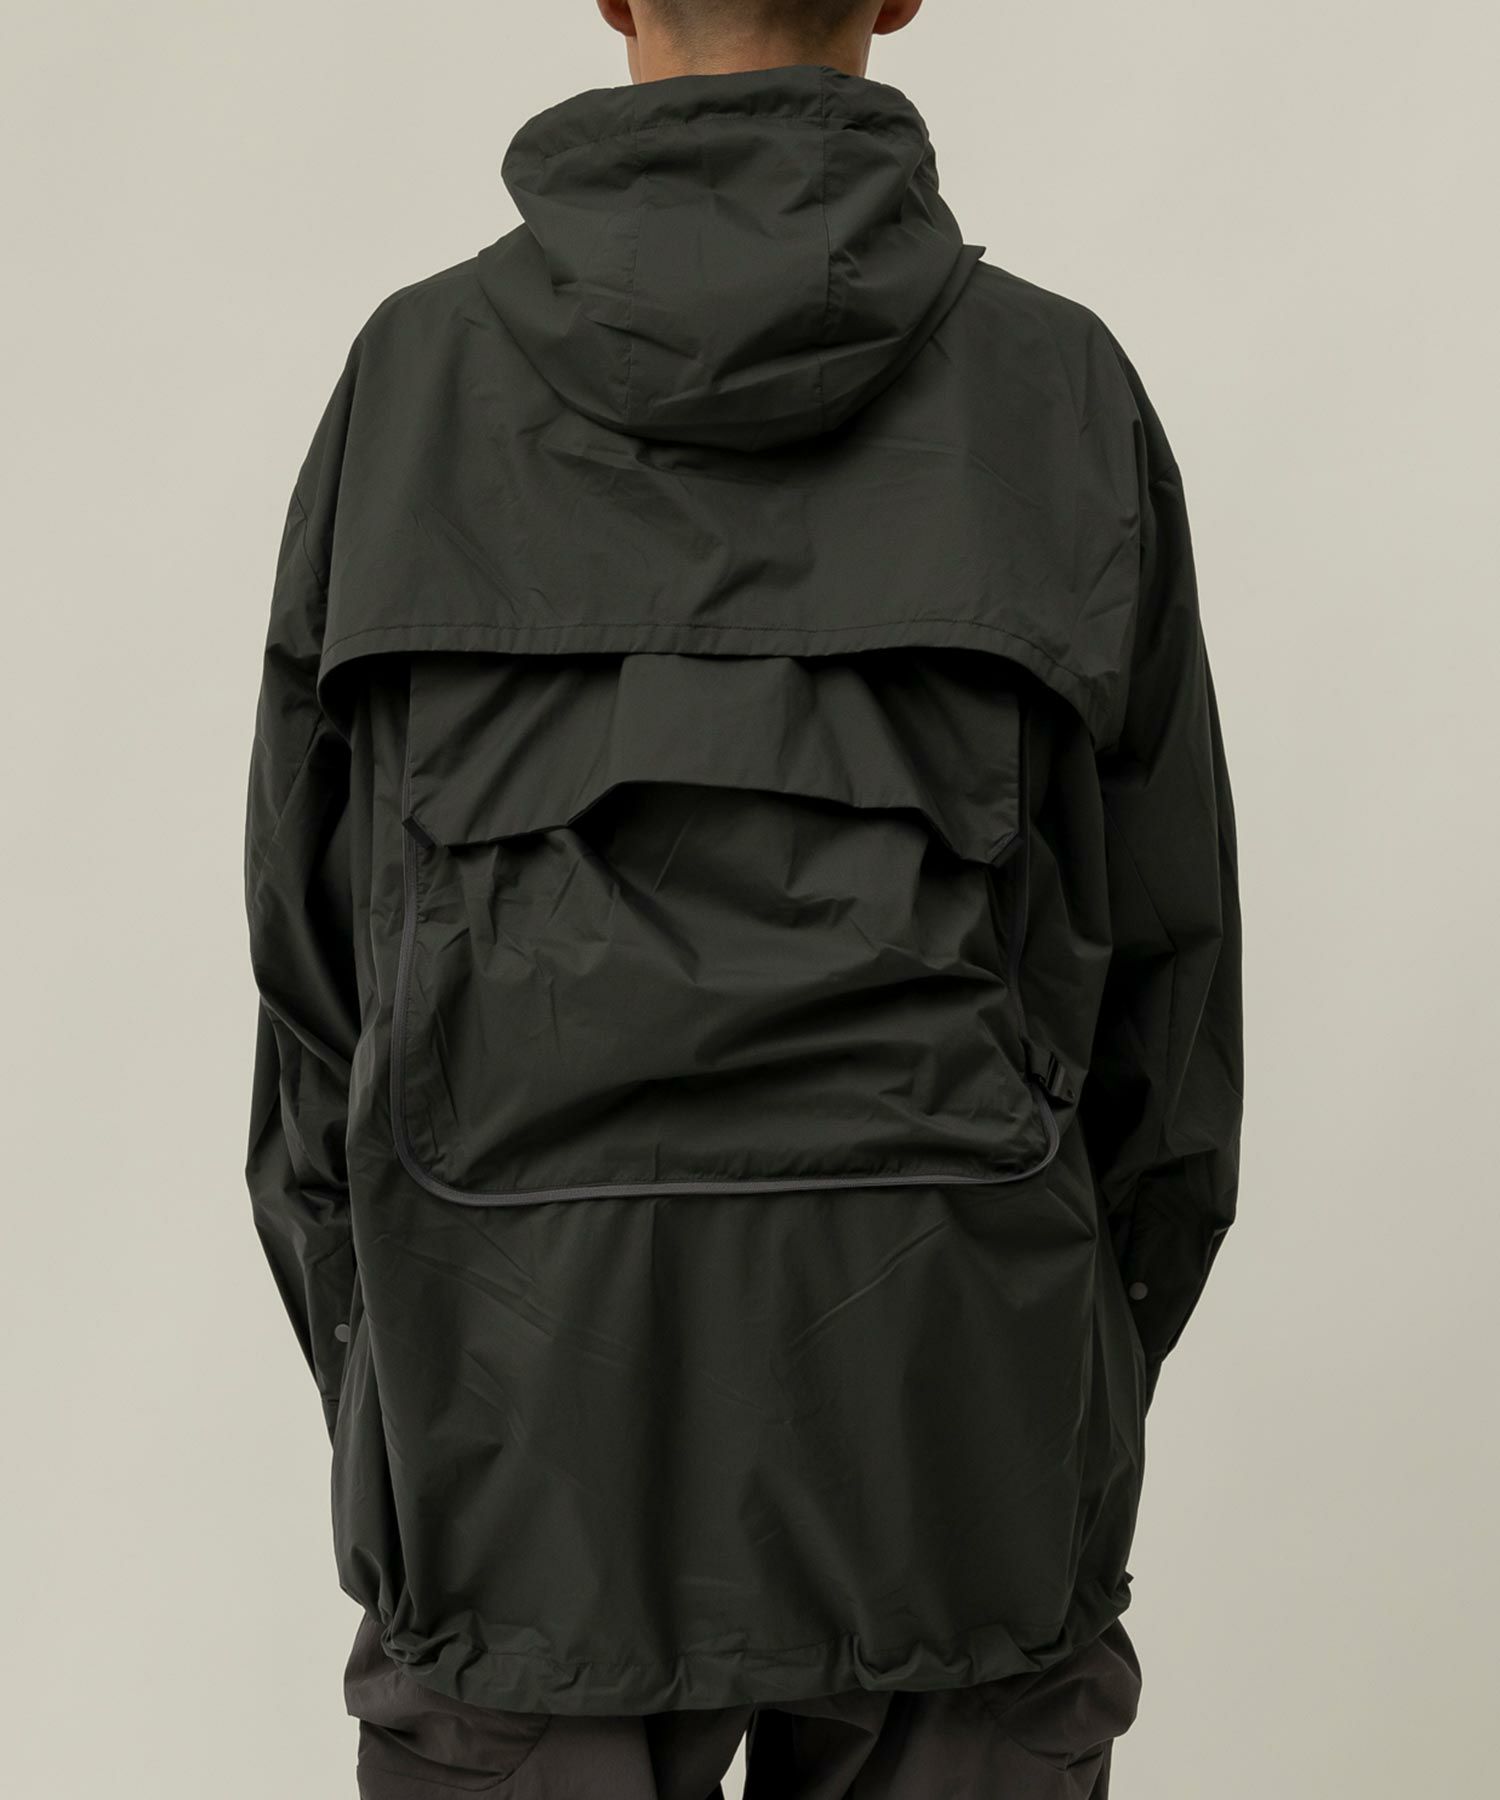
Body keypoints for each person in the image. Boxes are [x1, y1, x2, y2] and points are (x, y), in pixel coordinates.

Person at [243, 1, 1243, 1793]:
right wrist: (1051, 1393)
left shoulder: (410, 387)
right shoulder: (1059, 392)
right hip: (960, 1446)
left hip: (508, 1473)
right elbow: (1170, 1027)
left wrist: (413, 1391)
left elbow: (314, 1009)